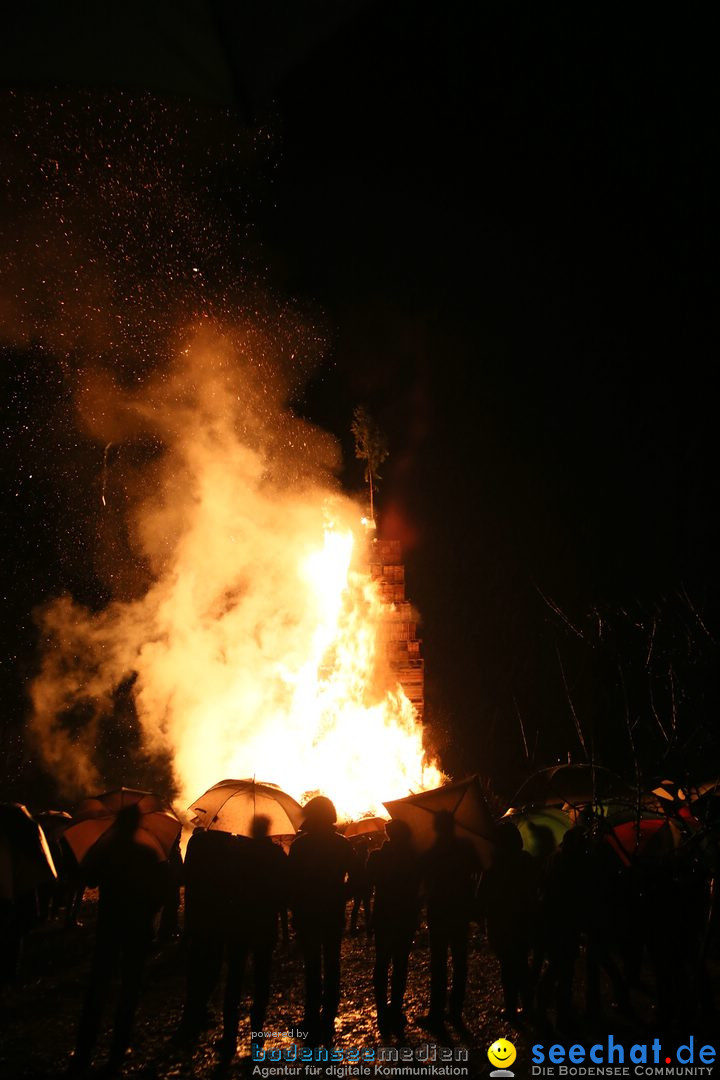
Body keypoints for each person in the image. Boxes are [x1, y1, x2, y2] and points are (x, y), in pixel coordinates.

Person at [68, 803, 169, 1076]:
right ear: (138, 824)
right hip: (136, 928)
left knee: (98, 987)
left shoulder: (106, 849)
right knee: (129, 988)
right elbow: (160, 892)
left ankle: (84, 1049)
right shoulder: (147, 853)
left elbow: (89, 881)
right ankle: (118, 1048)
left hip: (109, 926)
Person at [287, 796, 358, 1044]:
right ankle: (328, 1016)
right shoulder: (342, 844)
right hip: (332, 912)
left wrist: (295, 909)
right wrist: (341, 894)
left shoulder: (300, 846)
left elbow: (291, 883)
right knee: (332, 963)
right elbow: (358, 879)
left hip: (308, 912)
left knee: (313, 967)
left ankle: (311, 1017)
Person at [220, 815, 287, 1059]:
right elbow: (284, 889)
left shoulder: (235, 853)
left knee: (234, 980)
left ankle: (228, 1038)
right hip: (264, 923)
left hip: (238, 922)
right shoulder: (275, 854)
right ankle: (257, 1039)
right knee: (261, 981)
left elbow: (225, 885)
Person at [419, 809, 481, 1033]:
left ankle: (436, 1013)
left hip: (440, 910)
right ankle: (455, 1010)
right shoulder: (465, 847)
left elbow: (423, 876)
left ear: (437, 827)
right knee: (460, 960)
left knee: (438, 962)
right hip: (460, 909)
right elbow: (477, 868)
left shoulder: (432, 851)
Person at [478, 821, 538, 1021]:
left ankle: (511, 1007)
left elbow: (481, 896)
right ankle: (528, 1006)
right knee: (521, 963)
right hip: (524, 920)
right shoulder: (526, 860)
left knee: (508, 966)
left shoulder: (495, 865)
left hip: (501, 923)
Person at [366, 819, 421, 1038]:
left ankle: (381, 1011)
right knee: (400, 964)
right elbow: (417, 887)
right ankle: (396, 1008)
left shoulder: (378, 856)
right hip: (405, 916)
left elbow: (369, 883)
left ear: (388, 834)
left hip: (383, 915)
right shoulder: (413, 858)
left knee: (381, 963)